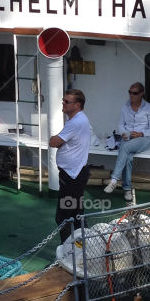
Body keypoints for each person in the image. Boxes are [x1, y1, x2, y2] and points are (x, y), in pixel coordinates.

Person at [49, 88, 91, 242]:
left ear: (77, 105)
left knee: (64, 217)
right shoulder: (77, 120)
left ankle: (68, 256)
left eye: (67, 101)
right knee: (77, 215)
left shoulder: (76, 122)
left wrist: (56, 140)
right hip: (75, 174)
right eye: (63, 100)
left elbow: (54, 142)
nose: (64, 103)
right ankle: (84, 252)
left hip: (72, 177)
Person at [103, 82, 150, 201]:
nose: (131, 95)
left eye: (135, 93)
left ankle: (114, 180)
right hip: (128, 138)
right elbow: (121, 124)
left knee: (125, 148)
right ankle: (127, 189)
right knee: (129, 157)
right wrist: (124, 133)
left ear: (141, 94)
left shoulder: (149, 108)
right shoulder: (125, 107)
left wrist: (141, 133)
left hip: (144, 139)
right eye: (130, 92)